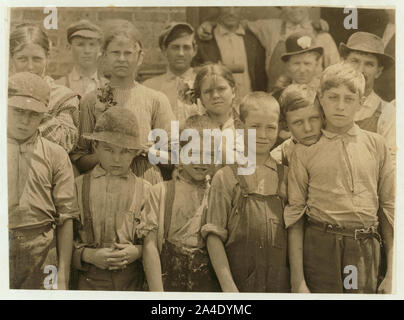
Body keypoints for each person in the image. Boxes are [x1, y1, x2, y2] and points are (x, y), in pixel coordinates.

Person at [285, 63, 394, 293]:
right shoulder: (305, 150)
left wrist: (393, 272)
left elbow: (389, 209)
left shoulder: (376, 145)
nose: (340, 106)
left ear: (361, 102)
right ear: (321, 98)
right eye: (333, 97)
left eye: (349, 98)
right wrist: (298, 282)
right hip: (321, 245)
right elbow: (294, 216)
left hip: (364, 248)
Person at [202, 92, 290, 292]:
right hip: (238, 281)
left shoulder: (287, 176)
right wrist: (229, 287)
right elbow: (213, 236)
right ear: (240, 127)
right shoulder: (226, 176)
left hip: (279, 284)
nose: (263, 134)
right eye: (255, 126)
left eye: (270, 127)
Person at [71, 19, 175, 184]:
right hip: (103, 184)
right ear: (104, 56)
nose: (121, 58)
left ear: (140, 57)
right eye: (115, 52)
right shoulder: (91, 100)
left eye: (128, 53)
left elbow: (173, 157)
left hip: (146, 181)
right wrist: (106, 153)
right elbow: (79, 157)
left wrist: (146, 150)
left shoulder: (157, 100)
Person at [8, 72, 78, 289]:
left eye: (33, 114)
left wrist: (63, 276)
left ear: (43, 116)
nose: (24, 120)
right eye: (18, 111)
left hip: (43, 250)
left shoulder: (55, 154)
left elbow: (66, 217)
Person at [72, 107, 150, 291]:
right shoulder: (78, 186)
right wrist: (87, 255)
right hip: (89, 280)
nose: (116, 158)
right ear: (96, 146)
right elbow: (64, 238)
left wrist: (137, 252)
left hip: (132, 281)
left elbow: (151, 241)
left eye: (125, 152)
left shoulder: (145, 190)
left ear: (135, 153)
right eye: (108, 149)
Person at [141, 115, 221, 292]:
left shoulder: (217, 194)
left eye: (210, 154)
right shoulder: (161, 192)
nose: (201, 161)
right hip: (167, 284)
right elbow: (150, 246)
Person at [197, 6, 338, 92]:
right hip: (276, 96)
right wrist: (211, 24)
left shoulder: (323, 36)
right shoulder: (270, 28)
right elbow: (236, 22)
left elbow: (336, 75)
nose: (294, 6)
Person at [10, 23, 79, 154]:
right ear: (11, 58)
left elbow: (66, 143)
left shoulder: (63, 96)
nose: (30, 67)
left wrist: (34, 105)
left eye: (37, 59)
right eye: (22, 59)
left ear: (47, 58)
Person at [340, 31, 396, 161]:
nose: (360, 70)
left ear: (378, 71)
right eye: (355, 61)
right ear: (343, 63)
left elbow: (392, 162)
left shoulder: (387, 113)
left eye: (369, 64)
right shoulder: (327, 103)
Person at [192, 7, 267, 99]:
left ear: (242, 9)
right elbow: (194, 75)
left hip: (248, 104)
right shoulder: (205, 39)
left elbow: (261, 78)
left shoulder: (253, 39)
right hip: (217, 103)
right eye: (226, 6)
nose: (231, 12)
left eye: (236, 7)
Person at [143, 22, 202, 127]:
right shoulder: (150, 87)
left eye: (186, 47)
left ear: (194, 50)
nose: (181, 53)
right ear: (164, 50)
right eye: (175, 47)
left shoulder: (204, 82)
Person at [271, 31, 324, 146]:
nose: (302, 69)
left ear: (316, 65)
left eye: (307, 63)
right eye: (296, 63)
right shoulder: (276, 97)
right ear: (288, 66)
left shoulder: (323, 95)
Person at [192, 63, 243, 165]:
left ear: (233, 91)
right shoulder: (193, 129)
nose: (215, 95)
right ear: (200, 98)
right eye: (208, 91)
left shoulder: (247, 124)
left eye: (221, 89)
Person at [271, 84, 324, 166]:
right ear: (286, 125)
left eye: (313, 118)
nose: (308, 129)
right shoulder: (277, 161)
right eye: (298, 122)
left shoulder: (337, 148)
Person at [56, 19, 108, 98]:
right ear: (69, 48)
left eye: (92, 44)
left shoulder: (108, 88)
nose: (87, 51)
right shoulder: (58, 86)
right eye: (80, 44)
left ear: (99, 50)